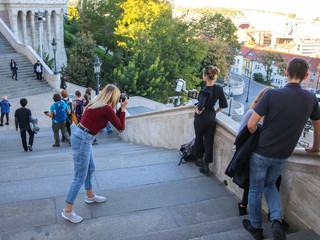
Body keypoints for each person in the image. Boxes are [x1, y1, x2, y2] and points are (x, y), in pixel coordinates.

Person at [243, 58, 320, 240]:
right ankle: (276, 221)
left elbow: (251, 125)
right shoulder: (311, 98)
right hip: (283, 154)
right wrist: (315, 147)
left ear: (286, 72)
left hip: (262, 152)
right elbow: (317, 128)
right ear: (306, 76)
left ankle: (256, 228)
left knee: (255, 189)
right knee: (270, 185)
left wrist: (258, 136)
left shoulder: (271, 95)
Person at [61, 84, 128, 223]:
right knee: (79, 176)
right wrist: (123, 108)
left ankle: (90, 196)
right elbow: (120, 127)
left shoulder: (97, 103)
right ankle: (68, 210)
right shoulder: (106, 108)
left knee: (90, 168)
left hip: (83, 136)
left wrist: (119, 109)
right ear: (114, 96)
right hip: (83, 138)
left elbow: (114, 120)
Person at [194, 66, 228, 174]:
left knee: (199, 137)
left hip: (201, 118)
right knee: (209, 141)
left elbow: (200, 108)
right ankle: (206, 165)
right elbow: (224, 105)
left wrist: (197, 110)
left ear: (205, 76)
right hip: (211, 118)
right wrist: (214, 112)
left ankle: (199, 159)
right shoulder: (219, 88)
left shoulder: (204, 91)